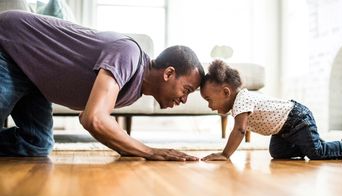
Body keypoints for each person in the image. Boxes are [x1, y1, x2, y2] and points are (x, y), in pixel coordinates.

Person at [0, 10, 204, 161]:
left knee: (37, 144)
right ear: (169, 73)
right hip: (10, 45)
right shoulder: (129, 54)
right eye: (186, 90)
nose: (184, 99)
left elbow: (91, 117)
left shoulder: (134, 90)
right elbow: (94, 118)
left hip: (35, 79)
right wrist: (149, 151)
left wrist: (130, 148)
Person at [200, 60, 342, 161]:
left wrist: (225, 154)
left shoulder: (242, 100)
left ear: (225, 92)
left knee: (316, 153)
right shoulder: (240, 102)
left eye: (209, 100)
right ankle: (313, 143)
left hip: (297, 119)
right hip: (283, 130)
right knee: (277, 152)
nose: (209, 106)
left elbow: (240, 129)